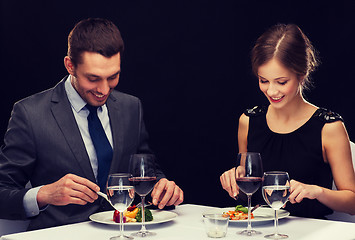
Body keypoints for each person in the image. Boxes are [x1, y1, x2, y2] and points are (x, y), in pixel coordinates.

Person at [0, 18, 183, 230]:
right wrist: (45, 194)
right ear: (70, 66)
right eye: (93, 78)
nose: (104, 90)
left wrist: (162, 187)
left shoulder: (131, 107)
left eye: (113, 77)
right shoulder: (30, 114)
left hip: (124, 231)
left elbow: (143, 170)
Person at [220, 23, 355, 219]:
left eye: (281, 82)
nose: (272, 91)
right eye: (263, 81)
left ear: (302, 75)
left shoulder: (329, 127)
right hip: (258, 230)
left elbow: (352, 203)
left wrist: (317, 191)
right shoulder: (248, 121)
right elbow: (246, 194)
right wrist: (234, 179)